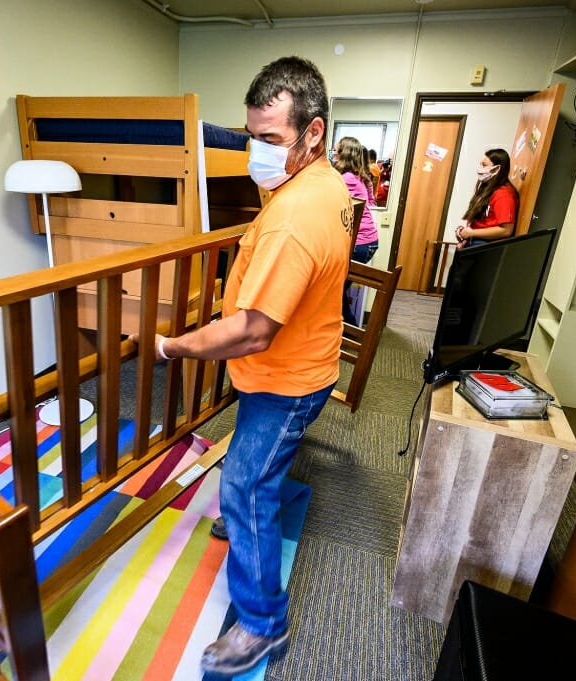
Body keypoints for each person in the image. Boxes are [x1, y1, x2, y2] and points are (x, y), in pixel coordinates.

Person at [132, 55, 352, 676]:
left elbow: (254, 331)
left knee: (247, 482)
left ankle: (261, 626)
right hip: (298, 364)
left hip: (288, 379)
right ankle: (243, 521)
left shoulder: (295, 218)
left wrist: (173, 347)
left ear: (313, 132)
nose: (256, 151)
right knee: (255, 463)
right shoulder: (322, 183)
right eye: (251, 135)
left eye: (271, 139)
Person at [331, 136, 379, 324]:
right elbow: (370, 202)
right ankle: (348, 331)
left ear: (345, 154)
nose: (333, 154)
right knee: (338, 290)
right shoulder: (359, 176)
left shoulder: (347, 178)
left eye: (336, 151)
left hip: (361, 243)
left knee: (335, 291)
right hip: (368, 242)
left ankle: (350, 331)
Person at [455, 148, 519, 248]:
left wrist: (471, 233)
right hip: (473, 242)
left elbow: (506, 230)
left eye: (484, 165)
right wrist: (464, 234)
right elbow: (480, 220)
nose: (480, 168)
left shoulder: (503, 194)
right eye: (481, 164)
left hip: (484, 245)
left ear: (497, 169)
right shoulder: (486, 188)